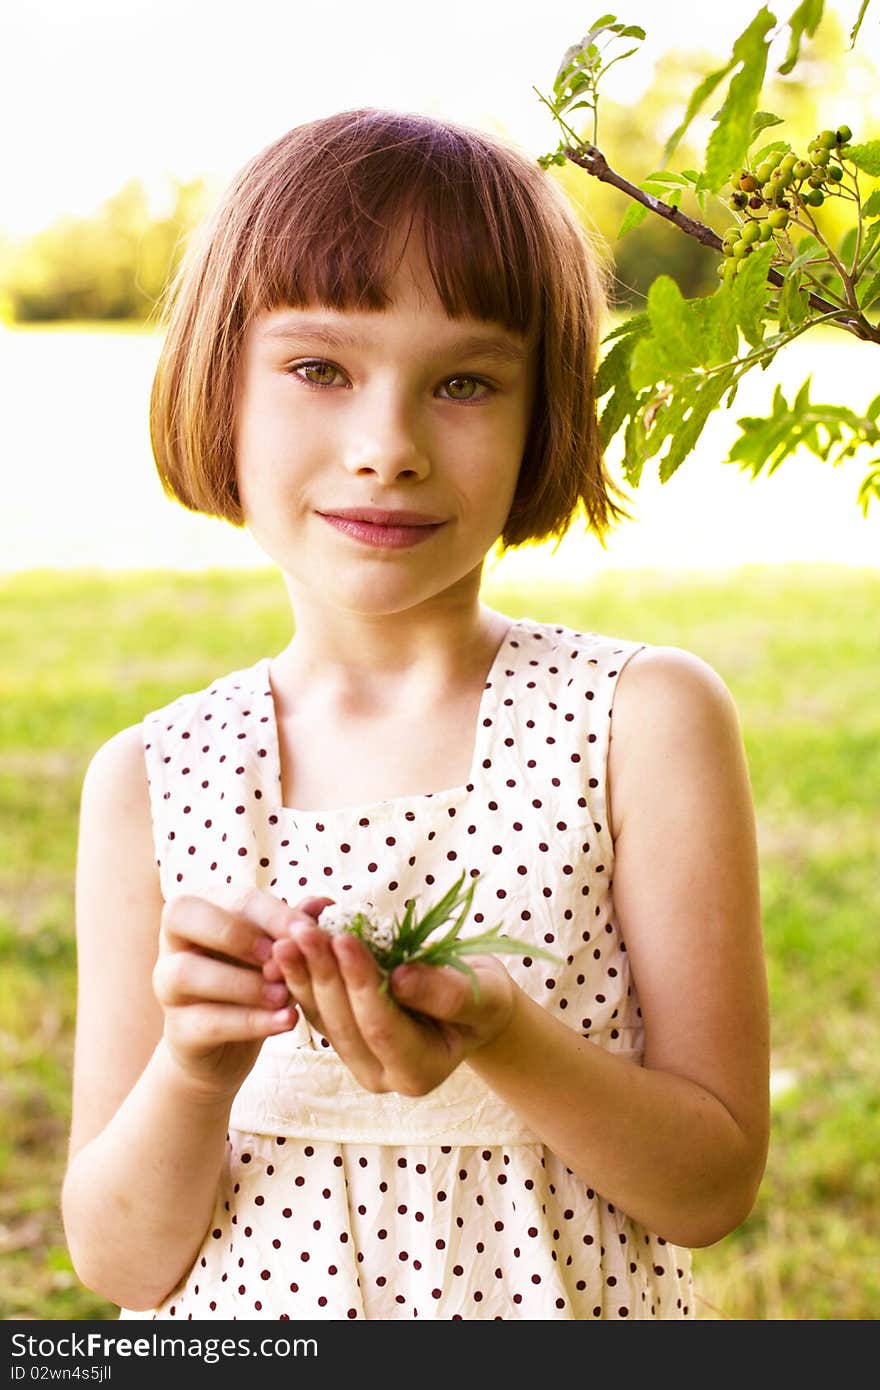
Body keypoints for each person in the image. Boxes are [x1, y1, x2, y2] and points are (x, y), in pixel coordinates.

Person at [61, 107, 770, 1321]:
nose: (386, 446)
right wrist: (193, 1065)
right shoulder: (151, 778)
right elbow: (121, 1264)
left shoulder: (638, 723)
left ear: (539, 411)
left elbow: (706, 1186)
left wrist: (502, 1030)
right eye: (319, 368)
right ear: (218, 387)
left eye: (462, 383)